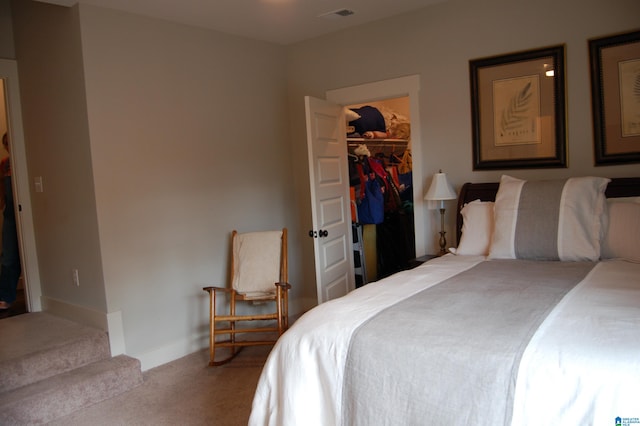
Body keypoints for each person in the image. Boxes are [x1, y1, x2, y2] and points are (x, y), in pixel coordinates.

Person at [0, 132, 21, 310]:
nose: (8, 146)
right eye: (5, 144)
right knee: (8, 255)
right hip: (10, 215)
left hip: (25, 213)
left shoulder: (25, 160)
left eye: (10, 142)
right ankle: (6, 297)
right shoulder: (4, 164)